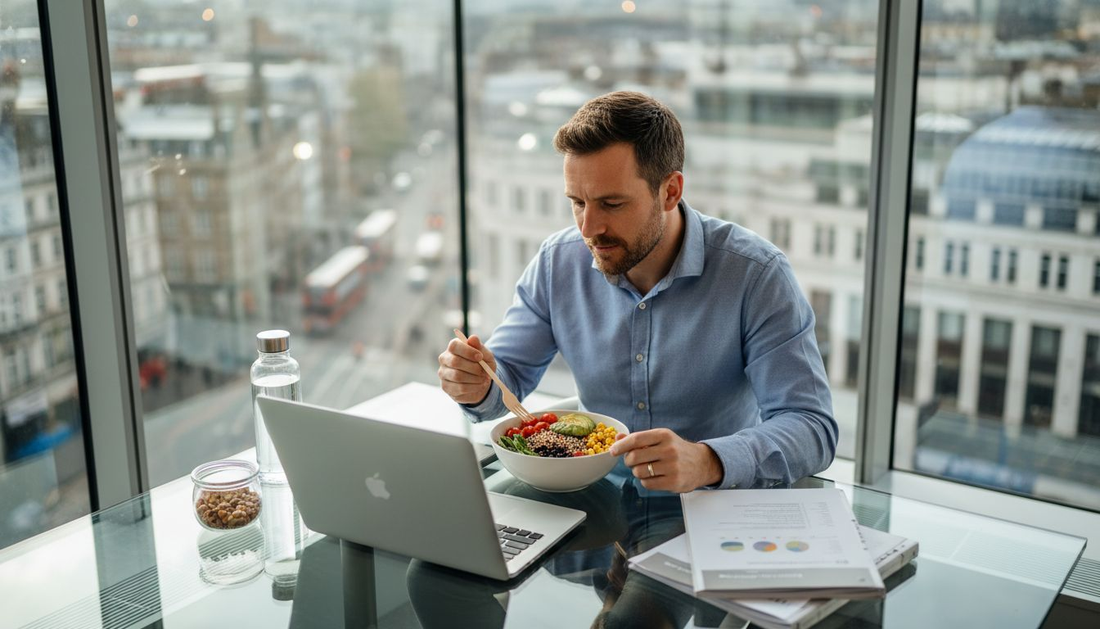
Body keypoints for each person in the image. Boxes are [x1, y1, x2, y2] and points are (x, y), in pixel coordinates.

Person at [438, 91, 836, 492]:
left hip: (710, 508)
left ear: (670, 192)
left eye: (611, 204)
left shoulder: (756, 275)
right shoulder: (557, 263)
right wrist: (476, 384)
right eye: (577, 202)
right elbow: (505, 379)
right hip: (593, 497)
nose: (588, 227)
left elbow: (811, 426)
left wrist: (708, 460)